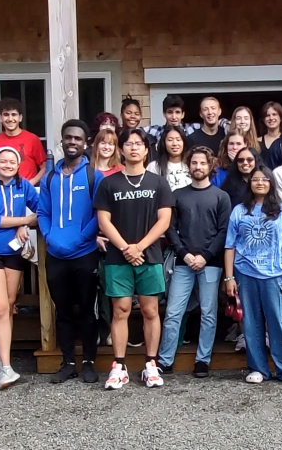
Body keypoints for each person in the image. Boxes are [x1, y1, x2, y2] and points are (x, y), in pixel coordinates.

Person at [95, 128, 174, 390]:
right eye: (128, 143)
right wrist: (126, 248)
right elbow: (103, 220)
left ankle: (151, 364)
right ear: (121, 149)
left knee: (151, 310)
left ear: (146, 149)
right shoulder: (109, 184)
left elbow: (164, 220)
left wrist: (139, 246)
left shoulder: (158, 183)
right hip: (118, 258)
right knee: (121, 310)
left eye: (138, 144)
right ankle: (119, 365)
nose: (133, 148)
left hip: (149, 256)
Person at [38, 120, 104, 385]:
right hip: (56, 255)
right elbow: (43, 212)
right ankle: (67, 363)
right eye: (68, 138)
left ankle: (88, 362)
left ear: (85, 143)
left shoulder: (93, 176)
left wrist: (80, 238)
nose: (72, 142)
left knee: (88, 311)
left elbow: (101, 214)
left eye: (78, 138)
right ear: (62, 141)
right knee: (62, 311)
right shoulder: (50, 178)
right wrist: (49, 235)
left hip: (85, 253)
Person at [224, 164, 282, 385]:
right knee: (251, 323)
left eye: (265, 179)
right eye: (255, 179)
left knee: (280, 322)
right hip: (246, 273)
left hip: (276, 273)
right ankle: (258, 368)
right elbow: (230, 246)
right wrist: (229, 278)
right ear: (249, 183)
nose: (260, 182)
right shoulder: (240, 210)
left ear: (271, 183)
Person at [159, 146, 232, 377]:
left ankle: (203, 360)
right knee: (173, 312)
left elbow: (224, 231)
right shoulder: (178, 195)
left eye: (202, 163)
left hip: (210, 263)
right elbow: (169, 228)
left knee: (209, 312)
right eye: (194, 163)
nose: (198, 167)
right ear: (188, 166)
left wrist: (206, 256)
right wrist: (184, 254)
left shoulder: (221, 196)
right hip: (183, 262)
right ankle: (165, 360)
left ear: (211, 166)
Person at [0, 145, 40, 389]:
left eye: (13, 161)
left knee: (9, 305)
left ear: (18, 164)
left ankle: (7, 361)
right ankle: (4, 366)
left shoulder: (24, 186)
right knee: (0, 307)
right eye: (3, 161)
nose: (8, 165)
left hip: (13, 252)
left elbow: (42, 207)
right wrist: (24, 220)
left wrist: (25, 227)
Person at [0, 98, 47, 186]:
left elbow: (44, 167)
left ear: (20, 118)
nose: (10, 119)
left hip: (28, 190)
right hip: (3, 190)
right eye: (6, 115)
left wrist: (30, 184)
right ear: (0, 118)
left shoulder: (32, 139)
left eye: (14, 114)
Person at [147, 125, 192, 191]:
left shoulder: (192, 164)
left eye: (178, 139)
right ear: (164, 143)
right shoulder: (154, 166)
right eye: (170, 140)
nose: (175, 143)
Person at [259, 101, 282, 166]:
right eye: (267, 115)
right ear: (263, 119)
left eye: (274, 114)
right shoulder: (257, 142)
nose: (271, 118)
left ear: (280, 118)